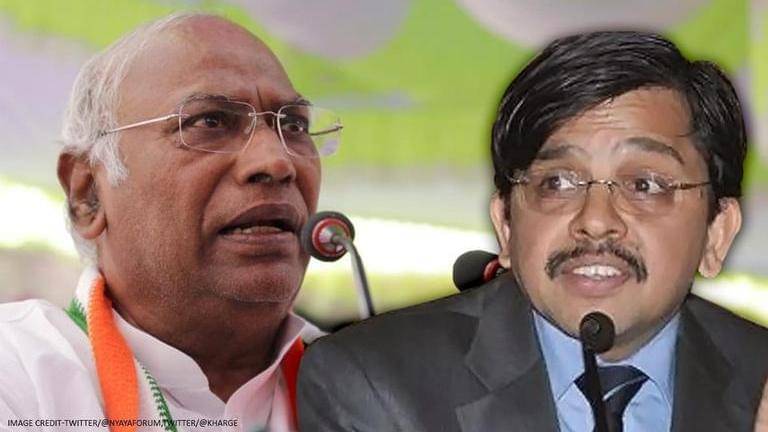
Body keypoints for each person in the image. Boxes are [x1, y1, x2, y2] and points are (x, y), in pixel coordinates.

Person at [298, 30, 768, 431]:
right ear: (505, 224)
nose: (595, 220)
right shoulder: (373, 383)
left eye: (644, 185)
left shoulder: (759, 379)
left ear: (717, 233)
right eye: (557, 183)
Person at [0, 12, 342, 432]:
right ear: (88, 195)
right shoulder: (17, 374)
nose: (276, 161)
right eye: (210, 121)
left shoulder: (376, 386)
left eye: (293, 125)